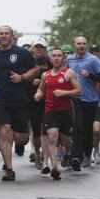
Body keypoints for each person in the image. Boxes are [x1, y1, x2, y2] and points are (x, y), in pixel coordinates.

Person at [0, 26, 38, 182]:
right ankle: (9, 169)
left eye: (6, 34)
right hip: (0, 99)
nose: (3, 36)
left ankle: (23, 138)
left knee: (21, 138)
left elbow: (35, 70)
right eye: (1, 34)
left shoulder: (22, 53)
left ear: (12, 36)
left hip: (20, 99)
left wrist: (22, 77)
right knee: (5, 130)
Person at [34, 48, 81, 180]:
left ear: (63, 58)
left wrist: (64, 93)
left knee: (66, 140)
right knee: (52, 137)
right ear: (50, 59)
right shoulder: (46, 75)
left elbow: (78, 91)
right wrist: (38, 94)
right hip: (50, 111)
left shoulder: (69, 73)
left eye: (59, 56)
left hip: (66, 111)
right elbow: (41, 89)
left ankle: (68, 152)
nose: (56, 58)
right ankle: (55, 167)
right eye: (54, 56)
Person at [67, 36, 100, 170]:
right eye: (79, 43)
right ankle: (75, 156)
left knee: (87, 129)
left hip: (90, 100)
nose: (81, 46)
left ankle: (87, 154)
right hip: (75, 99)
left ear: (87, 45)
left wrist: (90, 75)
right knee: (77, 128)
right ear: (74, 45)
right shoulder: (69, 59)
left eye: (84, 44)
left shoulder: (93, 60)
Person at [26, 39, 51, 170]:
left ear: (46, 50)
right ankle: (36, 153)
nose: (39, 50)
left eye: (42, 48)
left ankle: (45, 159)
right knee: (35, 132)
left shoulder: (51, 63)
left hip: (48, 101)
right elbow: (21, 78)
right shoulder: (27, 62)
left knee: (47, 131)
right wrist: (31, 81)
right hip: (31, 102)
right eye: (37, 47)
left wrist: (44, 82)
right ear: (33, 49)